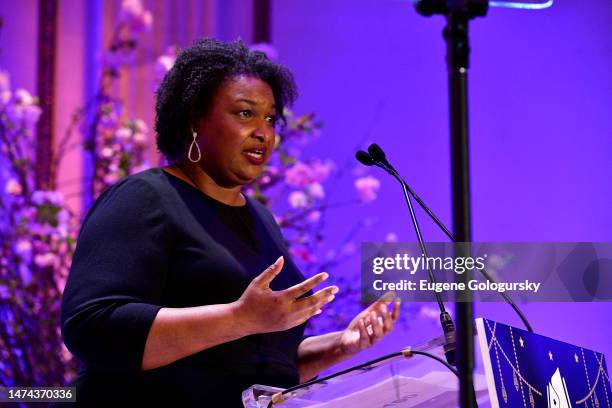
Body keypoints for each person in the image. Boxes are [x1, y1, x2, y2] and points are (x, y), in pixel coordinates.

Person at [60, 38, 400, 407]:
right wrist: (240, 317)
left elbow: (259, 363)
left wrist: (343, 344)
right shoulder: (145, 198)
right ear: (194, 120)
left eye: (270, 118)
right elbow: (93, 326)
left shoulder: (262, 221)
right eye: (244, 113)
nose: (263, 132)